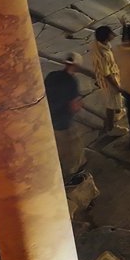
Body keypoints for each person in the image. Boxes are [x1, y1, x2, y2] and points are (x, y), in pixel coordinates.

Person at [44, 53, 85, 181]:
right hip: (63, 122)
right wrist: (79, 105)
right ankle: (70, 175)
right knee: (72, 149)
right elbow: (74, 106)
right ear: (77, 66)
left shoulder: (52, 76)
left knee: (57, 148)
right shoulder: (72, 82)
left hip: (49, 118)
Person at [90, 25, 123, 134]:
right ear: (105, 37)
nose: (113, 34)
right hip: (109, 82)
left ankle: (118, 112)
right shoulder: (103, 54)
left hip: (110, 76)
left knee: (114, 101)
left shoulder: (98, 44)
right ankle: (111, 128)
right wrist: (116, 86)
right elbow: (107, 74)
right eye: (110, 33)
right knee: (111, 104)